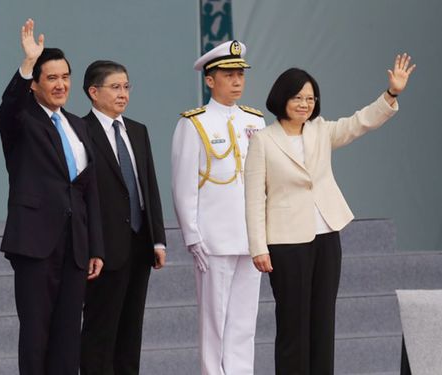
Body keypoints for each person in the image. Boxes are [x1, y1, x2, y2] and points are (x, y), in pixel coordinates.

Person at [245, 54, 416, 374]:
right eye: (298, 97)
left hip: (326, 235)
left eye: (310, 98)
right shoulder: (264, 141)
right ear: (282, 98)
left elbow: (358, 123)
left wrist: (390, 94)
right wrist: (258, 246)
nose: (305, 104)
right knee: (293, 324)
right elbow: (254, 198)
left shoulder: (320, 130)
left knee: (323, 320)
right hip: (285, 241)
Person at [0, 19, 104, 375]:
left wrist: (95, 247)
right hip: (35, 243)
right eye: (51, 78)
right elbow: (8, 106)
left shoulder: (79, 125)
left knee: (67, 336)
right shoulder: (22, 120)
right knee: (36, 335)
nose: (60, 85)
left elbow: (89, 191)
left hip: (75, 247)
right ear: (36, 85)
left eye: (65, 77)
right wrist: (27, 64)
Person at [171, 40, 266, 375]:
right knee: (214, 322)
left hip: (251, 237)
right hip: (214, 238)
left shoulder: (255, 120)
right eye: (228, 74)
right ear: (210, 80)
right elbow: (183, 185)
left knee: (244, 320)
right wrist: (192, 235)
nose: (237, 80)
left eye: (240, 74)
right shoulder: (194, 122)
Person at [80, 60, 166, 375]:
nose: (123, 94)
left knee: (131, 331)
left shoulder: (138, 130)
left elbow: (149, 188)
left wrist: (158, 239)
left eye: (126, 86)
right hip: (103, 249)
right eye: (115, 87)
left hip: (139, 243)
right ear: (93, 91)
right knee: (101, 331)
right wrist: (92, 246)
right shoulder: (81, 131)